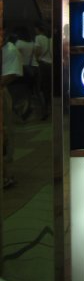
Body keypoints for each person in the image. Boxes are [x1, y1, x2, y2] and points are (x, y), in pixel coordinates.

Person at [2, 33, 23, 188]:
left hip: (2, 92)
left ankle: (6, 174)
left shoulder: (10, 50)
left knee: (5, 133)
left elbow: (11, 74)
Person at [34, 23, 52, 119]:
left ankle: (44, 110)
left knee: (42, 88)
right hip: (51, 65)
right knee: (49, 87)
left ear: (38, 29)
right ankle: (50, 108)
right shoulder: (51, 39)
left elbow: (38, 51)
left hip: (43, 64)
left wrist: (36, 58)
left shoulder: (38, 38)